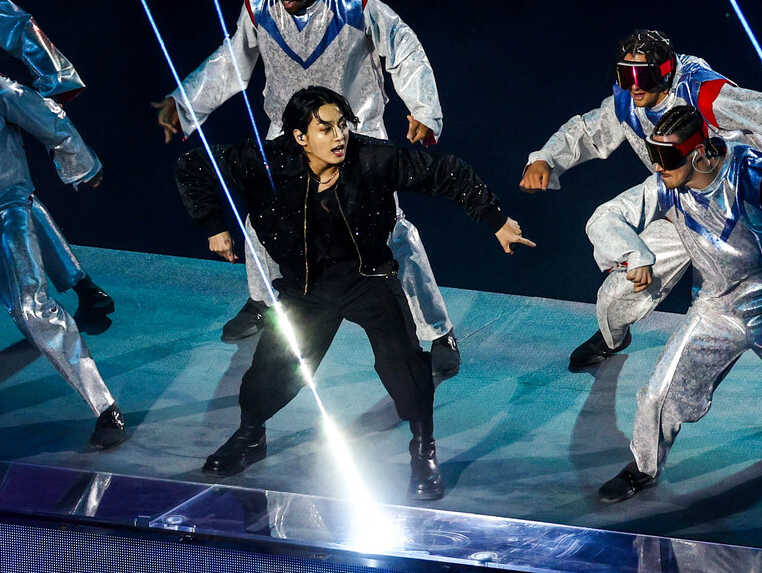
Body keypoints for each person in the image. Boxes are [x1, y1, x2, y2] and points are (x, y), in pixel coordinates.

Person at [175, 86, 534, 499]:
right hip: (306, 287)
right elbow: (193, 163)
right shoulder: (266, 162)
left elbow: (444, 171)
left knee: (404, 366)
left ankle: (423, 449)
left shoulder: (371, 158)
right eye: (325, 128)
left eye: (342, 125)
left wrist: (495, 219)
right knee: (270, 370)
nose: (339, 136)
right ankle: (251, 435)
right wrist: (213, 225)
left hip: (368, 278)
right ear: (299, 137)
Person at [153, 0, 459, 378]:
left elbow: (406, 51)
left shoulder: (357, 3)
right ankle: (263, 302)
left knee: (390, 233)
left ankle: (437, 331)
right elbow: (230, 63)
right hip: (289, 134)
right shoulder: (259, 6)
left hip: (350, 136)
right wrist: (185, 101)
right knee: (264, 223)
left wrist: (424, 111)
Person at [519, 29, 762, 369]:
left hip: (744, 213)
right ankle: (614, 338)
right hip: (686, 211)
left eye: (644, 74)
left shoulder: (703, 92)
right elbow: (588, 130)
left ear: (667, 71)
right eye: (626, 74)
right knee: (613, 299)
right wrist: (546, 158)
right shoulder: (628, 102)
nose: (634, 84)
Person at [585, 106, 762, 502]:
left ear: (701, 154)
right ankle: (643, 467)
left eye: (667, 158)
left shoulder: (754, 176)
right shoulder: (665, 185)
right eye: (654, 156)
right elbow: (605, 216)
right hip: (717, 308)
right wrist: (634, 253)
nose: (658, 168)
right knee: (658, 395)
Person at [0, 64, 125, 449]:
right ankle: (83, 285)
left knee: (31, 307)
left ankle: (104, 406)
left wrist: (81, 162)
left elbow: (46, 116)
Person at [0, 0, 115, 333]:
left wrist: (56, 79)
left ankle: (82, 289)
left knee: (6, 197)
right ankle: (83, 287)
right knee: (6, 197)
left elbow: (11, 21)